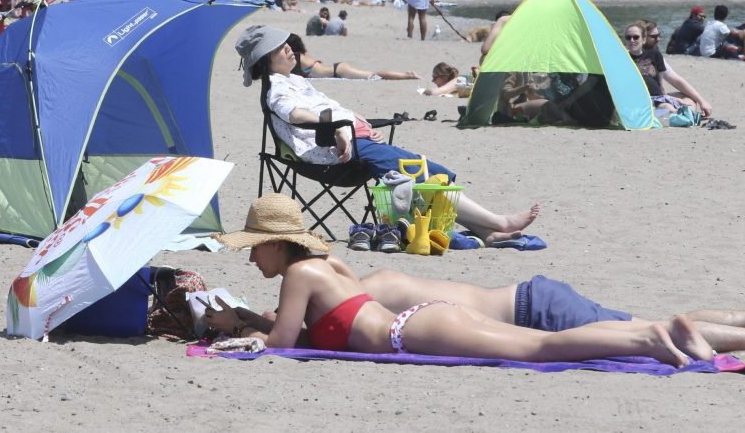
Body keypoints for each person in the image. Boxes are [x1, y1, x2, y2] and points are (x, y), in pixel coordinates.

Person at [206, 194, 710, 367]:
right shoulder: (327, 265)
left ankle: (648, 337)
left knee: (542, 350)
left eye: (254, 248)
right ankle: (657, 335)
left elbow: (281, 343)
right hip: (422, 322)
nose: (252, 259)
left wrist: (238, 332)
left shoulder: (297, 274)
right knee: (542, 343)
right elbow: (306, 326)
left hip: (413, 332)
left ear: (277, 243)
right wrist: (247, 318)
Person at [238, 25, 541, 243]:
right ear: (264, 60)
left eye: (286, 43)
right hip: (332, 156)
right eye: (279, 47)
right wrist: (339, 128)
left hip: (355, 145)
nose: (289, 47)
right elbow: (295, 115)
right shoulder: (277, 89)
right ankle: (498, 221)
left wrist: (359, 125)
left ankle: (487, 232)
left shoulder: (294, 80)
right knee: (419, 172)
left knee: (422, 171)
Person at [322, 258, 745, 353]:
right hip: (530, 297)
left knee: (669, 332)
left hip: (534, 312)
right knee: (664, 323)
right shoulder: (380, 279)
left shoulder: (366, 298)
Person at [623, 23, 712, 115]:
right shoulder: (622, 59)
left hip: (658, 98)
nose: (658, 39)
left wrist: (702, 101)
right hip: (640, 101)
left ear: (643, 39)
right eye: (654, 36)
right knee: (668, 108)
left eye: (635, 37)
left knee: (689, 100)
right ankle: (677, 115)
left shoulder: (655, 55)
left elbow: (671, 81)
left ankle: (680, 114)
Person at [286, 34, 419, 80]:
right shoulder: (303, 55)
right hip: (337, 69)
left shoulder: (297, 58)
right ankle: (406, 74)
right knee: (373, 75)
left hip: (339, 71)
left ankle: (407, 75)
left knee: (374, 75)